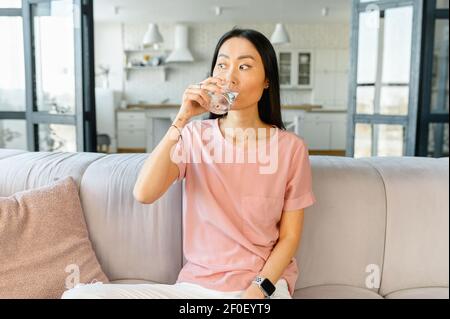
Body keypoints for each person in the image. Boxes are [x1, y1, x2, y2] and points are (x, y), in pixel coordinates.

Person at [62, 27, 316, 299]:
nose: (229, 76)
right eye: (222, 65)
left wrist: (257, 291)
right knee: (79, 296)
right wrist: (182, 117)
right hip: (196, 289)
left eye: (244, 66)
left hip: (260, 288)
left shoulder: (291, 148)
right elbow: (144, 192)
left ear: (267, 80)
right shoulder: (194, 136)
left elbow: (289, 238)